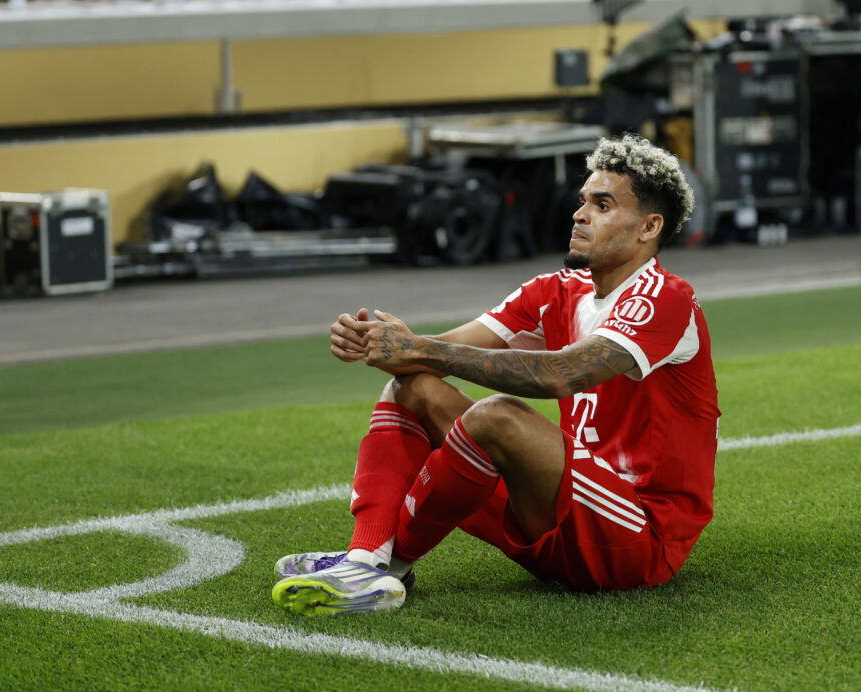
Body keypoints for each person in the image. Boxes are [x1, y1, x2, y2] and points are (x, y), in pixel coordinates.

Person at [271, 133, 720, 616]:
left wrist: (419, 347)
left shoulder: (663, 298)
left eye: (603, 204)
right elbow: (435, 356)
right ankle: (366, 559)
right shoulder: (554, 290)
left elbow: (561, 374)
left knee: (497, 416)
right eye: (583, 201)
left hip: (636, 539)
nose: (580, 213)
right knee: (411, 388)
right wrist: (380, 343)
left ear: (648, 226)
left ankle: (387, 564)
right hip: (555, 520)